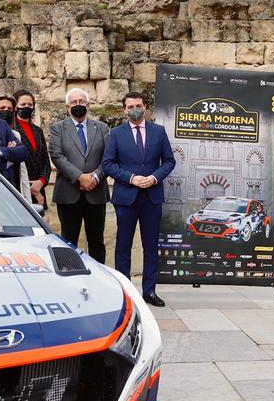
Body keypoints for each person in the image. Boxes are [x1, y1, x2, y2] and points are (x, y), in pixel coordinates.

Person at [102, 91, 176, 307]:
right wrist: (132, 178)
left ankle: (150, 291)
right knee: (123, 246)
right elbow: (108, 164)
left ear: (145, 107)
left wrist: (153, 178)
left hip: (152, 197)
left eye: (138, 105)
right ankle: (125, 292)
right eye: (130, 106)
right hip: (126, 197)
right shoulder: (116, 134)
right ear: (124, 109)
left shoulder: (159, 132)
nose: (135, 109)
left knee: (151, 246)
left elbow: (169, 161)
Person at [49, 88, 110, 263]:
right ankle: (70, 276)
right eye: (74, 102)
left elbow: (109, 157)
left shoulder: (102, 128)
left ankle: (99, 280)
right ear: (67, 106)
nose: (78, 105)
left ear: (88, 105)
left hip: (96, 193)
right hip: (68, 193)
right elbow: (57, 156)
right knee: (68, 241)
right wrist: (80, 177)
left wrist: (95, 177)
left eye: (82, 102)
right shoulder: (57, 128)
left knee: (97, 241)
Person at [12, 90, 51, 205]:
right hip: (19, 187)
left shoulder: (38, 131)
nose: (27, 107)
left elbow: (45, 161)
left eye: (30, 105)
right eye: (23, 105)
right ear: (15, 107)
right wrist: (32, 189)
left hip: (39, 187)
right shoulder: (11, 130)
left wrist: (41, 181)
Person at [0, 94, 31, 195]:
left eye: (10, 109)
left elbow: (22, 170)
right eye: (2, 108)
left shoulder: (15, 135)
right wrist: (9, 153)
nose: (6, 111)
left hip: (14, 186)